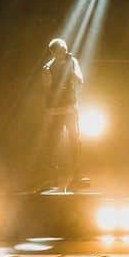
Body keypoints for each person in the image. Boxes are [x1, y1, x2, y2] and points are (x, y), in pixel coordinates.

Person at [41, 38, 83, 189]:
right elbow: (47, 89)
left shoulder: (72, 62)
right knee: (52, 144)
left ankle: (77, 176)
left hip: (70, 109)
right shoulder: (47, 68)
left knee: (75, 142)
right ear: (54, 52)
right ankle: (52, 178)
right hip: (55, 111)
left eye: (65, 49)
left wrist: (71, 73)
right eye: (61, 50)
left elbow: (80, 81)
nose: (64, 52)